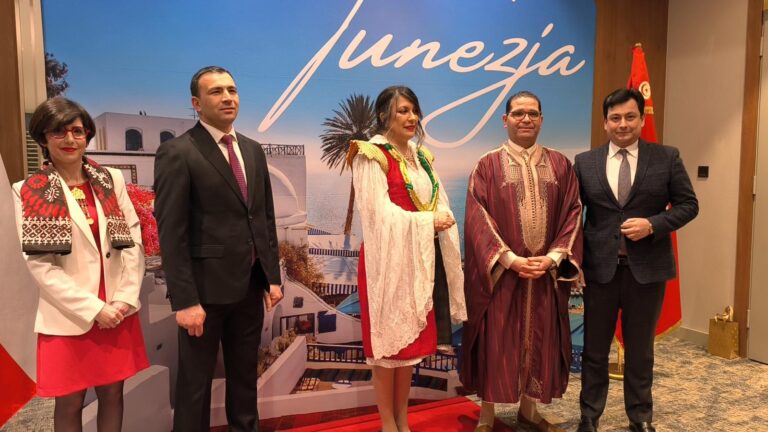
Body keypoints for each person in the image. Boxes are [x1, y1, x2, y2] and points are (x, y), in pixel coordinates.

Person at [154, 66, 283, 431]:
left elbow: (264, 219)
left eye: (232, 90)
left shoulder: (253, 151)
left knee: (245, 381)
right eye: (216, 92)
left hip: (249, 287)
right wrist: (184, 301)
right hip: (203, 295)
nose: (228, 98)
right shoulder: (177, 152)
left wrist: (272, 277)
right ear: (196, 103)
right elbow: (172, 233)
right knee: (194, 387)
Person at [13, 97, 148, 431]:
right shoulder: (28, 190)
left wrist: (125, 298)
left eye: (77, 131)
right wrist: (94, 308)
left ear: (87, 134)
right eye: (58, 132)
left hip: (118, 308)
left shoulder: (111, 180)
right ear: (43, 138)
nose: (70, 139)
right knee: (70, 402)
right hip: (70, 314)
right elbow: (40, 266)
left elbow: (133, 239)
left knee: (113, 394)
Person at [574, 88, 699, 432]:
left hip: (647, 271)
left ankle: (640, 416)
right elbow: (573, 215)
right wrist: (574, 262)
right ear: (605, 123)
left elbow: (689, 205)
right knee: (594, 350)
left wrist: (653, 224)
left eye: (630, 117)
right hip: (599, 271)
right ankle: (589, 415)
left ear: (642, 119)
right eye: (615, 118)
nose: (623, 124)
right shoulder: (585, 162)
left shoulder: (666, 157)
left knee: (641, 351)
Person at [460, 91, 583, 432]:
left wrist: (554, 257)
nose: (525, 119)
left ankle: (529, 411)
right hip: (502, 276)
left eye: (532, 113)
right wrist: (510, 259)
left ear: (541, 119)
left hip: (544, 275)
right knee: (496, 343)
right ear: (506, 120)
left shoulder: (561, 165)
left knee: (540, 342)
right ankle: (487, 416)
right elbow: (477, 217)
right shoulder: (487, 165)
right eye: (518, 113)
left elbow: (573, 212)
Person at [347, 85, 467, 432]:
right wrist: (428, 222)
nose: (412, 117)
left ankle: (403, 418)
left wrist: (439, 217)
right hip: (385, 264)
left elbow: (437, 199)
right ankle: (388, 422)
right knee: (387, 349)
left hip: (417, 260)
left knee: (407, 350)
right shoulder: (371, 154)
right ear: (383, 115)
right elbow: (377, 215)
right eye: (403, 111)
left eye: (414, 110)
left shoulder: (421, 156)